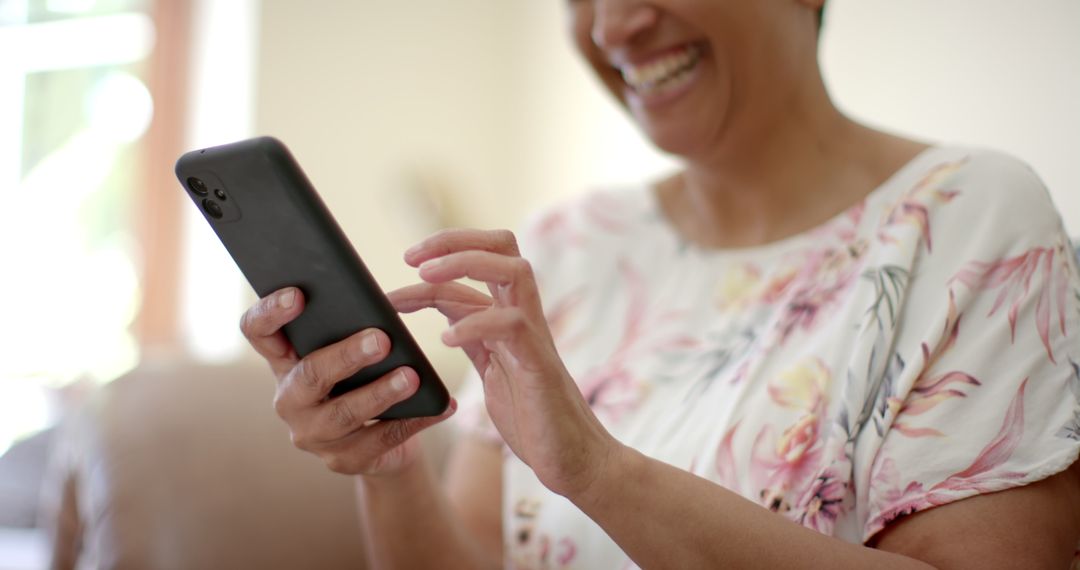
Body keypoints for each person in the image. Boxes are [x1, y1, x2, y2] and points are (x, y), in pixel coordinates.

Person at [240, 0, 1080, 568]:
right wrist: (387, 462)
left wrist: (601, 472)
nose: (613, 25)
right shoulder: (564, 247)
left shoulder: (971, 220)